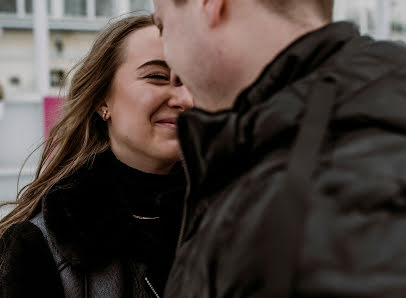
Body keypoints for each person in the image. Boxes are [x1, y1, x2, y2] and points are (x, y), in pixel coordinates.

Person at [152, 0, 406, 297]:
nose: (174, 75)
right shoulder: (295, 146)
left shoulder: (329, 192)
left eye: (163, 26)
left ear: (210, 4)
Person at [0, 15, 193, 297]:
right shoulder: (41, 244)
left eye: (193, 80)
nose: (184, 98)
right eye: (157, 76)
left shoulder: (232, 218)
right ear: (102, 100)